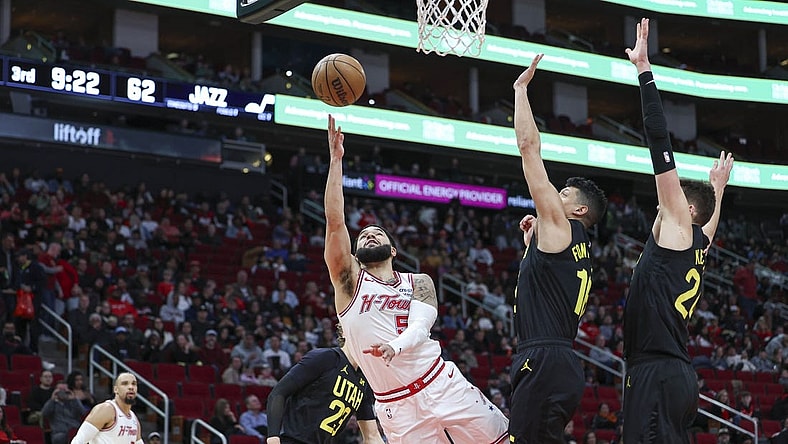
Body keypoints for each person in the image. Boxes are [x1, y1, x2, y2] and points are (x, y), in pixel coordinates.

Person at [322, 115, 509, 443]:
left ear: (393, 250)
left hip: (441, 382)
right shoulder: (349, 283)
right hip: (396, 406)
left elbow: (421, 328)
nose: (368, 235)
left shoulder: (419, 281)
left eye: (376, 233)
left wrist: (395, 346)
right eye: (363, 235)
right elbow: (335, 221)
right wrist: (336, 161)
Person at [621, 18, 735, 444]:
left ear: (684, 208)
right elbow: (711, 225)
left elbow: (657, 138)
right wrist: (719, 191)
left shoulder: (678, 223)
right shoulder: (698, 242)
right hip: (676, 375)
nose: (661, 202)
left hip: (657, 372)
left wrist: (644, 70)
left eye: (671, 201)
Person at [509, 54, 608, 443]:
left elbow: (528, 148)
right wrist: (530, 246)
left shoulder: (562, 227)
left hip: (544, 357)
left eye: (562, 193)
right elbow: (544, 285)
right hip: (560, 358)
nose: (554, 195)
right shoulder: (574, 246)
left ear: (579, 209)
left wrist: (520, 90)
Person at [265, 326, 383, 444]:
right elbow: (278, 393)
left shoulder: (364, 380)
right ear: (345, 332)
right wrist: (273, 438)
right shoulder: (326, 357)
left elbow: (372, 436)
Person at [68, 372, 142, 444]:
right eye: (125, 384)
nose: (131, 387)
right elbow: (78, 441)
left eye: (134, 384)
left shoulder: (134, 419)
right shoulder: (106, 409)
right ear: (116, 389)